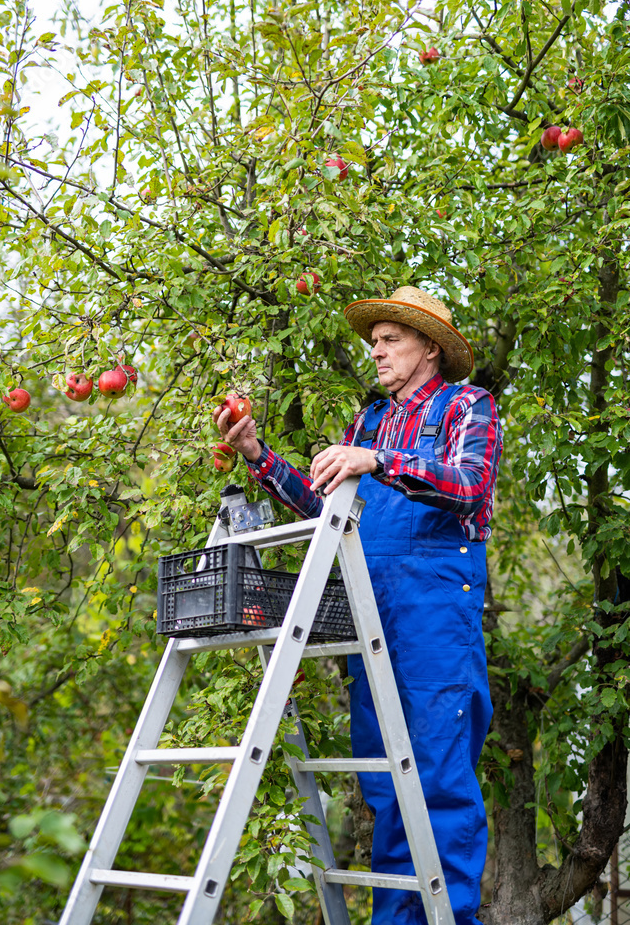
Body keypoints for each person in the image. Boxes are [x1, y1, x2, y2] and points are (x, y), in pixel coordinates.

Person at [213, 285, 502, 925]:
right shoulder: (367, 420)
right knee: (387, 783)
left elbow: (470, 485)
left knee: (438, 781)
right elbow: (328, 514)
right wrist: (258, 457)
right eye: (374, 342)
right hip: (371, 618)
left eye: (390, 339)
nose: (377, 350)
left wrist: (377, 460)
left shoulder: (467, 406)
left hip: (434, 621)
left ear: (429, 348)